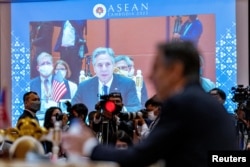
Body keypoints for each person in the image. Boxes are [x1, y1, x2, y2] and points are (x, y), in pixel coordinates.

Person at [62, 41, 237, 167]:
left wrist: (88, 146)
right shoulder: (204, 101)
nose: (151, 76)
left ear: (175, 70)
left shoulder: (182, 103)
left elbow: (142, 156)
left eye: (156, 68)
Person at [72, 47, 141, 112]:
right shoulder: (84, 86)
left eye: (107, 64)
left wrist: (120, 109)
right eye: (100, 65)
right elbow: (73, 108)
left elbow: (136, 108)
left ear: (113, 65)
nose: (104, 69)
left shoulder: (127, 84)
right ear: (94, 68)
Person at [30, 52, 71, 123]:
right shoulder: (31, 84)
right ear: (38, 68)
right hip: (37, 119)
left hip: (57, 119)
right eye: (43, 64)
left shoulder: (62, 82)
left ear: (52, 66)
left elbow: (66, 104)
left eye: (48, 63)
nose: (46, 65)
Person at [54, 20, 88, 84]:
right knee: (63, 70)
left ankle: (75, 89)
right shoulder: (64, 21)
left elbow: (79, 25)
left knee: (75, 72)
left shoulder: (79, 19)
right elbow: (54, 22)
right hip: (64, 50)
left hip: (74, 50)